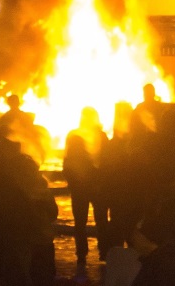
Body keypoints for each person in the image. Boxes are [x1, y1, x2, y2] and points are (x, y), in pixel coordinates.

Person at [64, 106, 109, 263]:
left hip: (83, 187)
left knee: (81, 223)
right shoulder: (100, 136)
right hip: (95, 186)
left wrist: (73, 182)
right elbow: (107, 161)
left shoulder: (74, 135)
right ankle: (103, 251)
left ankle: (82, 253)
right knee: (101, 220)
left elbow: (67, 163)